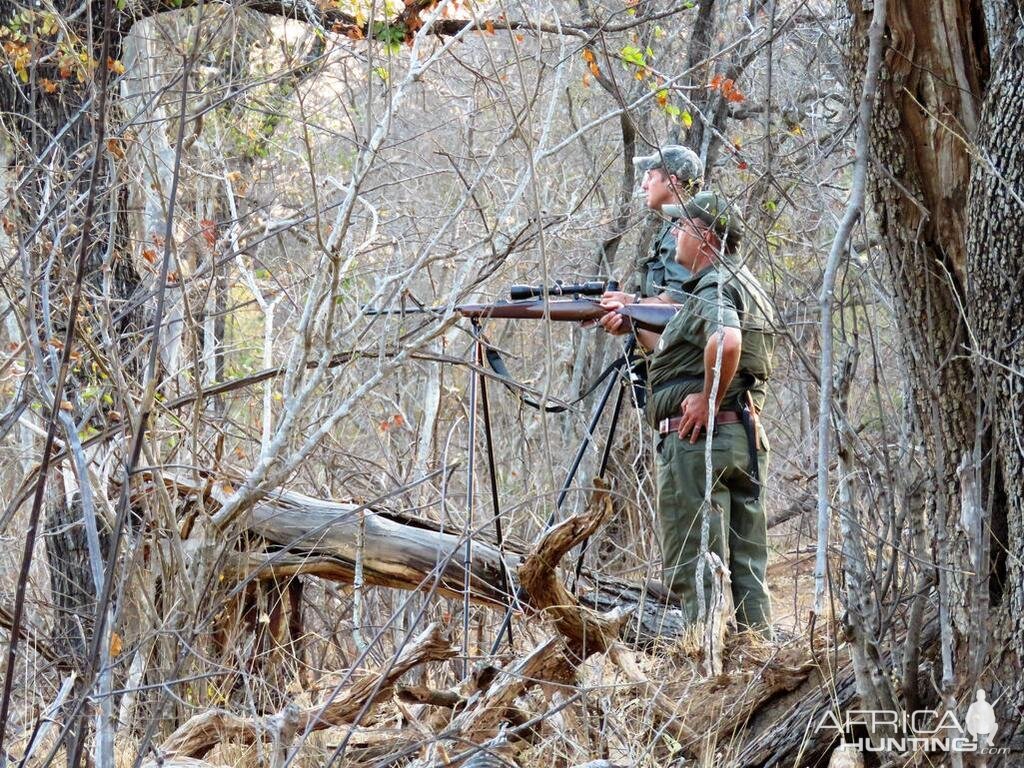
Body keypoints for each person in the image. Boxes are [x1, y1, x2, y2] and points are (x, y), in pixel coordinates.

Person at [605, 192, 776, 635]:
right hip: (742, 437)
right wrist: (633, 323)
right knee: (746, 565)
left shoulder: (713, 284)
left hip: (702, 440)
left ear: (705, 236)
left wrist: (707, 399)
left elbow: (727, 341)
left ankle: (707, 666)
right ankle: (759, 657)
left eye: (682, 228)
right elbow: (684, 352)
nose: (675, 235)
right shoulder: (745, 282)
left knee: (697, 564)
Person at [599, 145, 704, 339]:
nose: (644, 185)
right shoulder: (675, 226)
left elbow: (679, 301)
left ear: (671, 182)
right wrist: (628, 304)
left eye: (650, 176)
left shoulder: (684, 232)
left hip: (681, 363)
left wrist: (630, 307)